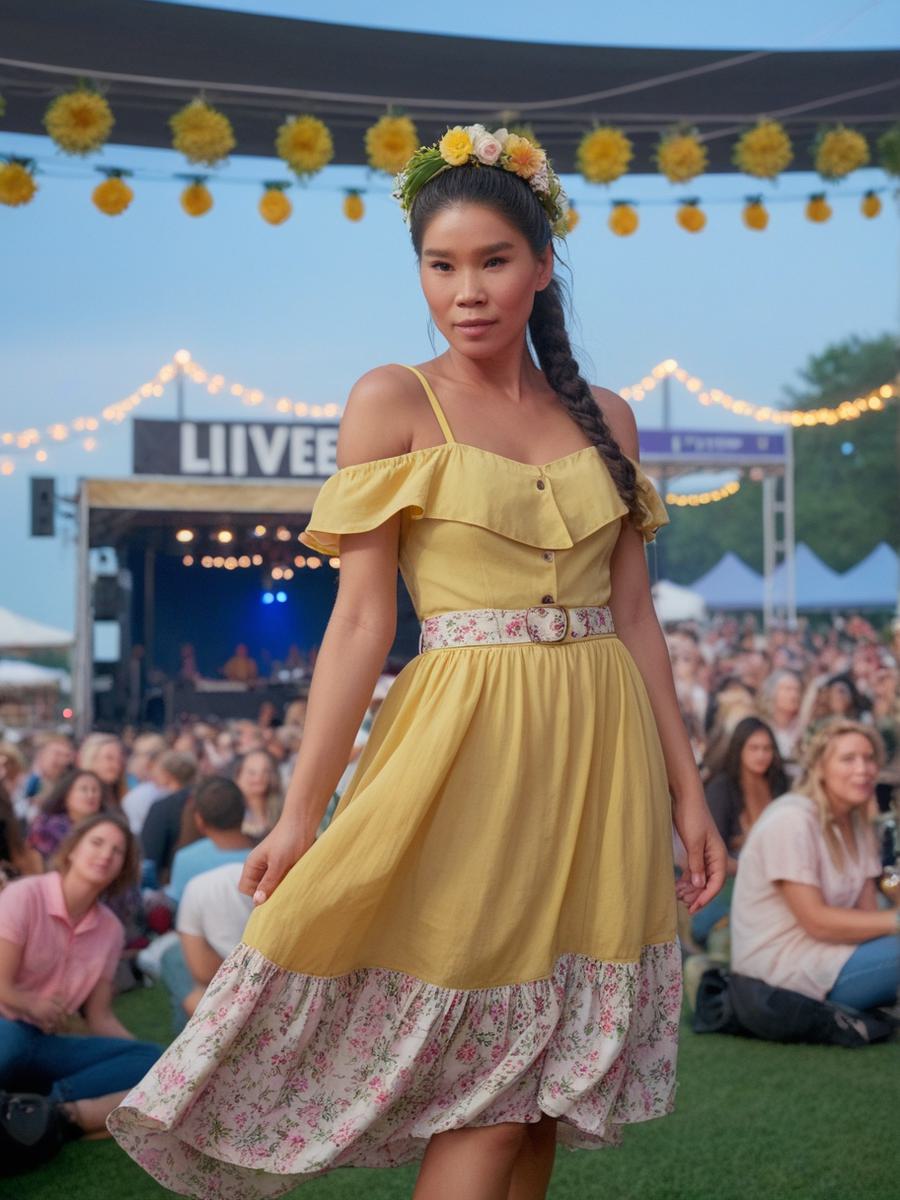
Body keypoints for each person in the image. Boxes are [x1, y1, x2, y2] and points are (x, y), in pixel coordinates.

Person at [109, 124, 725, 1198]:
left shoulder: (609, 418)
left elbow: (636, 619)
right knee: (489, 1090)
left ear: (542, 265)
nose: (465, 291)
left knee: (545, 1091)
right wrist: (301, 812)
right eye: (440, 266)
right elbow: (359, 624)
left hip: (603, 751)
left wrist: (690, 794)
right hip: (465, 745)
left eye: (493, 261)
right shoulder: (392, 400)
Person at [0, 812, 162, 1138]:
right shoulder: (24, 895)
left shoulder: (110, 929)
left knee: (152, 1059)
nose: (106, 855)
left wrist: (158, 1064)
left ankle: (46, 1107)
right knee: (12, 1042)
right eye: (97, 843)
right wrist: (32, 1004)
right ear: (72, 849)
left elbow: (100, 1018)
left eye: (117, 851)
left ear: (122, 867)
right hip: (6, 1026)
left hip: (43, 1043)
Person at [730, 719, 899, 1013]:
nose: (863, 769)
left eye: (869, 758)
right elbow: (816, 921)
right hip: (780, 974)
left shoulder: (857, 824)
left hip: (834, 956)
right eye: (848, 759)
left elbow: (868, 914)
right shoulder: (791, 819)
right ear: (819, 767)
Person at [691, 716, 788, 948]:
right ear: (739, 749)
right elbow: (712, 854)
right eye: (754, 748)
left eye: (767, 749)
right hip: (732, 883)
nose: (761, 755)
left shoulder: (779, 784)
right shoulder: (722, 788)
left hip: (779, 878)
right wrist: (755, 871)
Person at [165, 777, 254, 905]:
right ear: (244, 810)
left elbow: (178, 907)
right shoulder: (268, 856)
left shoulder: (186, 859)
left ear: (199, 820)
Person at [139, 750, 199, 887]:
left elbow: (150, 856)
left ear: (167, 775)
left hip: (171, 883)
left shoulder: (162, 807)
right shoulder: (204, 799)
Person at [27, 769, 105, 862]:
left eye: (95, 790)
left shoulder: (106, 829)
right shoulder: (45, 828)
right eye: (84, 789)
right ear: (66, 795)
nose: (90, 795)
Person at [233, 748, 283, 840]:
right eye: (252, 772)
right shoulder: (232, 816)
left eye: (266, 771)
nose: (259, 777)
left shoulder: (282, 810)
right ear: (238, 776)